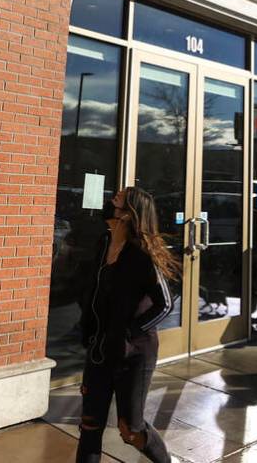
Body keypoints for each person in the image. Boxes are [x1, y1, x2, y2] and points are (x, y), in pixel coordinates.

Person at [77, 186, 176, 463]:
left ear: (129, 214)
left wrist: (130, 332)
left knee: (130, 430)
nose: (110, 203)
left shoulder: (142, 255)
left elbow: (165, 304)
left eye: (116, 201)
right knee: (89, 424)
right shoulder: (104, 243)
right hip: (100, 349)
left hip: (133, 354)